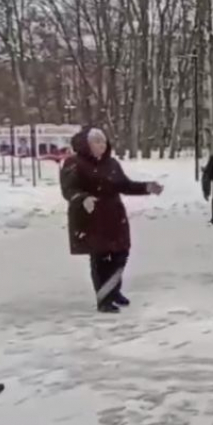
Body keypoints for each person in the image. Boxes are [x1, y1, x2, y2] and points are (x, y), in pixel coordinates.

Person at [60, 127, 164, 313]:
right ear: (86, 144)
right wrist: (83, 199)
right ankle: (104, 298)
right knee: (100, 258)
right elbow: (69, 189)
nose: (102, 145)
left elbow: (125, 185)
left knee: (120, 254)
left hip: (114, 217)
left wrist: (147, 187)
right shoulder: (74, 163)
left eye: (103, 141)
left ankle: (113, 291)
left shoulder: (112, 164)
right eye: (96, 141)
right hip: (90, 218)